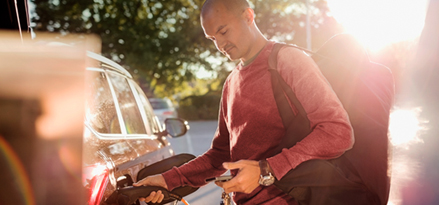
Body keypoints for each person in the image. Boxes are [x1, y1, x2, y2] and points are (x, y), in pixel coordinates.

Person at [134, 0, 354, 204]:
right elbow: (219, 155)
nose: (219, 45)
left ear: (248, 16)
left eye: (223, 31)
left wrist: (267, 169)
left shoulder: (287, 60)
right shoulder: (231, 83)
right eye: (212, 39)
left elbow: (338, 132)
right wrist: (167, 179)